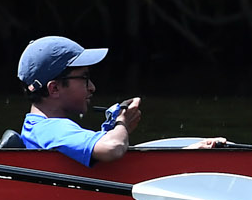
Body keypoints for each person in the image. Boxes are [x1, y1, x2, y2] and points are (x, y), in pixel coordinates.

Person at [16, 35, 154, 165]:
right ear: (55, 89)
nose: (92, 87)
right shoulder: (50, 128)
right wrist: (121, 123)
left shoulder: (38, 128)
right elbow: (113, 148)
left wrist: (113, 130)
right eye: (84, 78)